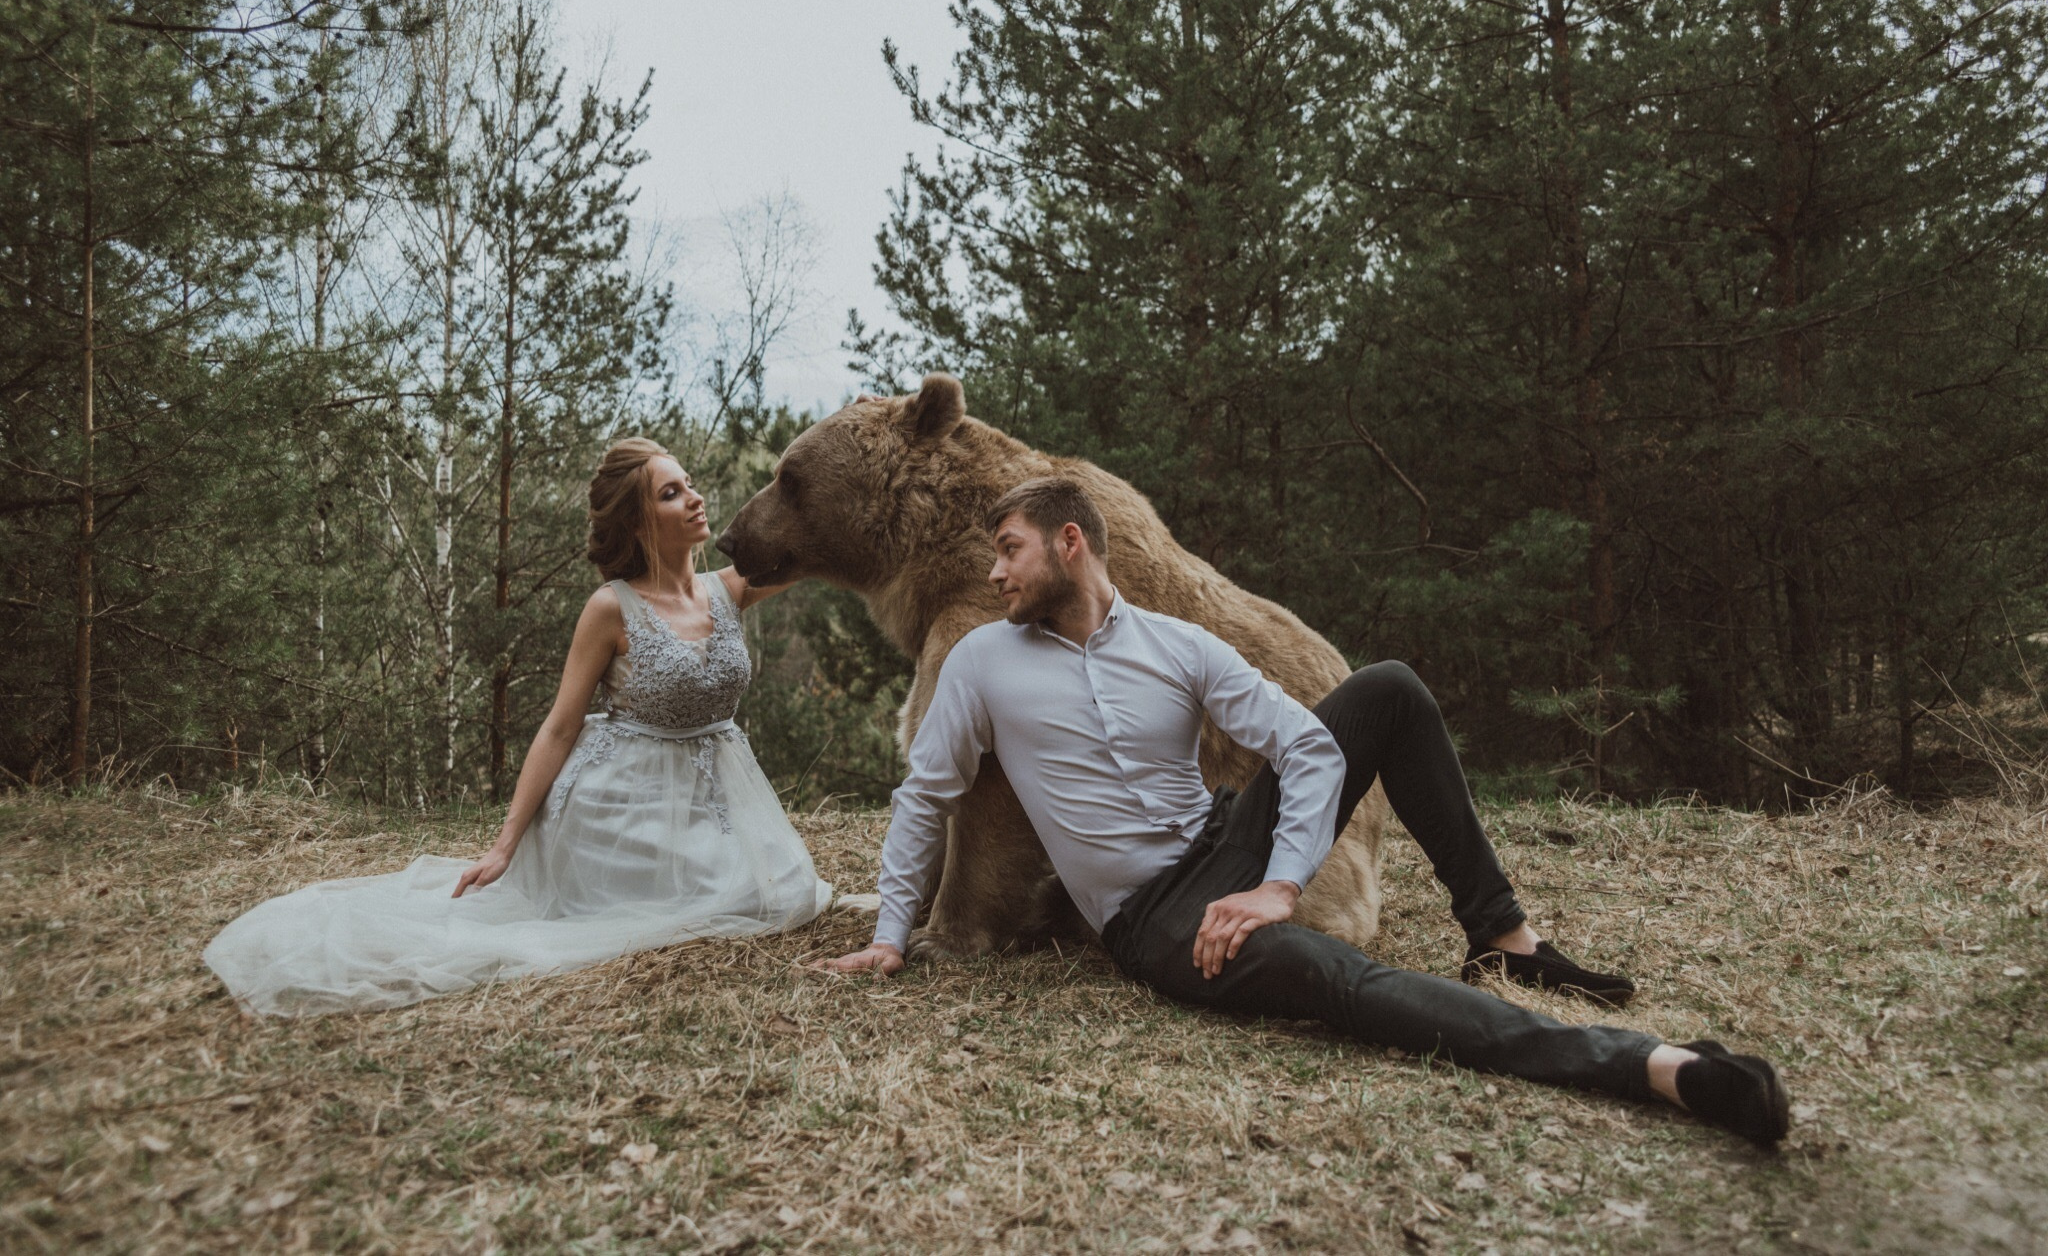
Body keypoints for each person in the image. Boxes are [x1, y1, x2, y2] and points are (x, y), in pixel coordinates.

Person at [815, 476, 1790, 1147]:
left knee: (1389, 690)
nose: (995, 573)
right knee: (1341, 980)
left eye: (1010, 552)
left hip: (1227, 840)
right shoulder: (985, 660)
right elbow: (926, 794)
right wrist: (893, 934)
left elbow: (1308, 746)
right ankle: (1656, 1068)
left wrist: (1279, 880)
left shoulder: (1176, 646)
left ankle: (1501, 935)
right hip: (1156, 920)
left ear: (1070, 544)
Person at [206, 439, 834, 1016]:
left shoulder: (731, 589)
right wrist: (505, 844)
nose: (695, 498)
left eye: (688, 483)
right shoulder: (610, 608)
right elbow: (560, 728)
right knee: (716, 908)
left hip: (717, 800)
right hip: (620, 809)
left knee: (780, 899)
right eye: (671, 493)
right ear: (640, 522)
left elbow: (827, 542)